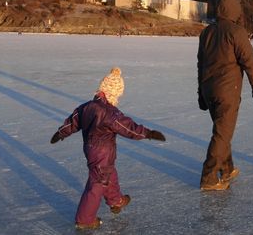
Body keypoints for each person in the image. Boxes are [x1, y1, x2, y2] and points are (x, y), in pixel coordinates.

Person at [50, 67, 166, 230]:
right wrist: (149, 133)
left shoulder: (86, 107)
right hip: (102, 152)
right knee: (97, 183)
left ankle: (115, 200)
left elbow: (72, 122)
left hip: (91, 149)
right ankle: (85, 219)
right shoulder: (110, 112)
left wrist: (60, 133)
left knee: (109, 172)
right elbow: (129, 128)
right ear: (114, 92)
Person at [197, 0, 253, 191]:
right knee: (222, 134)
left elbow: (201, 64)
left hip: (209, 90)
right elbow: (249, 61)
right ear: (234, 9)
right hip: (227, 91)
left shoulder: (206, 32)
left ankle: (227, 168)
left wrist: (201, 92)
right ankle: (208, 177)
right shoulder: (236, 32)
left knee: (221, 130)